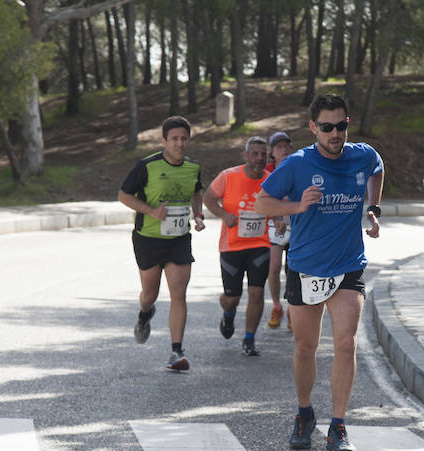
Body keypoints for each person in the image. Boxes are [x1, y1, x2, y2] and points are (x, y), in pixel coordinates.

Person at [255, 94, 383, 451]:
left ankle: (338, 425)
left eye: (341, 126)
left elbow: (378, 167)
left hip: (347, 265)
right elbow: (263, 203)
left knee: (345, 343)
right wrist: (297, 206)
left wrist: (372, 207)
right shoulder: (297, 165)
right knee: (305, 347)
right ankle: (304, 412)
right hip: (305, 266)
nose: (335, 133)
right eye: (327, 127)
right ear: (313, 128)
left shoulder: (362, 154)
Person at [118, 116, 206, 371]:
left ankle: (176, 352)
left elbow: (197, 191)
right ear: (164, 141)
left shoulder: (193, 167)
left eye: (184, 139)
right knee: (150, 294)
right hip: (148, 239)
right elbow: (123, 195)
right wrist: (152, 211)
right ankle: (145, 314)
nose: (180, 144)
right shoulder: (147, 166)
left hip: (179, 240)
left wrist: (198, 215)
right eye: (174, 139)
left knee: (179, 294)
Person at [202, 137, 271, 357]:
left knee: (257, 292)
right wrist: (224, 214)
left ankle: (249, 339)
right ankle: (228, 313)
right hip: (231, 246)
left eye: (263, 154)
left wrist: (279, 219)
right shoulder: (228, 176)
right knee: (232, 297)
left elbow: (279, 203)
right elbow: (209, 198)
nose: (260, 158)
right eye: (255, 154)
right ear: (246, 156)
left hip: (260, 244)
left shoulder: (271, 180)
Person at [264, 131, 294, 330]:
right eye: (279, 147)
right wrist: (276, 219)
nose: (283, 150)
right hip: (276, 225)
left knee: (293, 269)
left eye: (286, 146)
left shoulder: (297, 167)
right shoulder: (267, 171)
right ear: (272, 152)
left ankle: (293, 308)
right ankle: (276, 305)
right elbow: (263, 201)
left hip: (296, 225)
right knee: (274, 267)